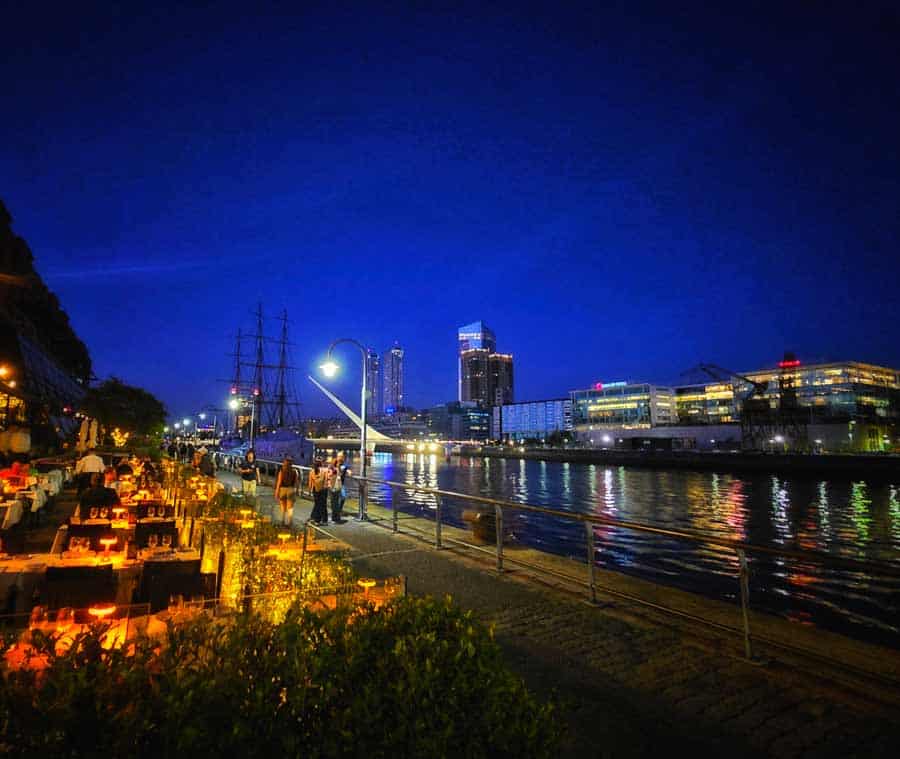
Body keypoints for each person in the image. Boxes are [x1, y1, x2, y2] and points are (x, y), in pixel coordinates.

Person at [274, 457, 299, 527]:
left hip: (283, 490)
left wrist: (276, 492)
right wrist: (296, 492)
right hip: (291, 490)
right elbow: (296, 483)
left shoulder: (282, 471)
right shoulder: (295, 471)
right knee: (290, 507)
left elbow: (279, 482)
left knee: (283, 507)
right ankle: (290, 522)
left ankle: (282, 521)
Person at [327, 454, 349, 524]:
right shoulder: (333, 467)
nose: (340, 458)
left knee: (341, 498)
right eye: (339, 457)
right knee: (334, 502)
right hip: (334, 486)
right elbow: (330, 475)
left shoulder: (343, 466)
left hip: (339, 485)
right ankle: (336, 515)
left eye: (341, 457)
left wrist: (348, 471)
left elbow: (343, 471)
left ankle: (337, 513)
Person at [307, 458, 329, 524]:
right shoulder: (324, 470)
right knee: (322, 504)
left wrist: (309, 491)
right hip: (321, 489)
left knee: (318, 504)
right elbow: (325, 481)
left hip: (317, 489)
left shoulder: (312, 472)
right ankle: (322, 519)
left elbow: (310, 483)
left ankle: (318, 519)